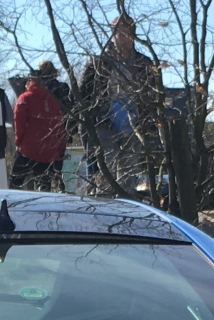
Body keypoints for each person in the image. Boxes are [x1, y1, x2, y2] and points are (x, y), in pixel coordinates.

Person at [77, 13, 160, 194]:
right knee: (108, 174)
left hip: (134, 126)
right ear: (112, 35)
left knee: (129, 176)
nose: (124, 38)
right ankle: (106, 209)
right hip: (105, 124)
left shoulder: (144, 64)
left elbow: (154, 96)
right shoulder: (99, 63)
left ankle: (126, 210)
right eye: (119, 33)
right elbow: (83, 94)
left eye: (128, 33)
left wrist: (149, 123)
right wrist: (89, 120)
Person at [11, 61, 69, 191]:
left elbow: (19, 122)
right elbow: (59, 125)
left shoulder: (25, 99)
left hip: (28, 149)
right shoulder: (53, 101)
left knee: (15, 183)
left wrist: (19, 141)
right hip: (47, 151)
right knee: (44, 186)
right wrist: (59, 147)